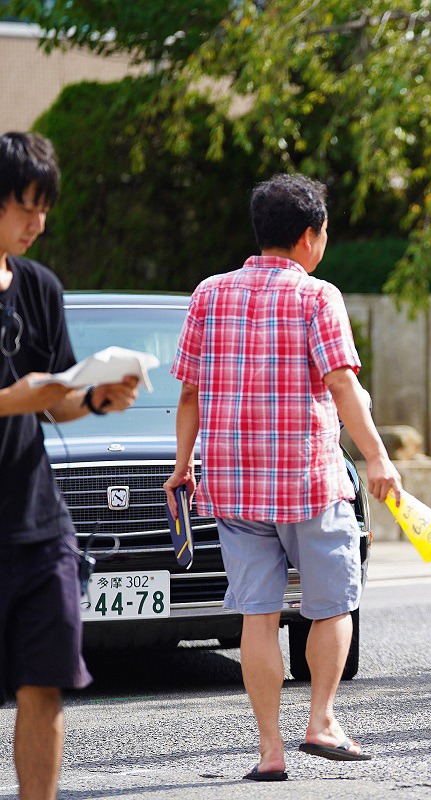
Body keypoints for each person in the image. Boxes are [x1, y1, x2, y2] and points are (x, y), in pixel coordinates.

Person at [164, 174, 403, 780]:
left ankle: (269, 752)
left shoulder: (209, 293)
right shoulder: (318, 296)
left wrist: (181, 464)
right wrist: (377, 456)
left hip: (232, 484)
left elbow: (188, 393)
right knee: (330, 606)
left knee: (258, 615)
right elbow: (342, 384)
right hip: (307, 481)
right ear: (309, 237)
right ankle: (321, 720)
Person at [0, 131, 139, 800]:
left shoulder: (39, 286)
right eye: (25, 205)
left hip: (38, 523)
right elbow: (26, 397)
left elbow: (57, 405)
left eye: (44, 208)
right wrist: (12, 400)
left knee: (45, 683)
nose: (38, 222)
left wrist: (99, 399)